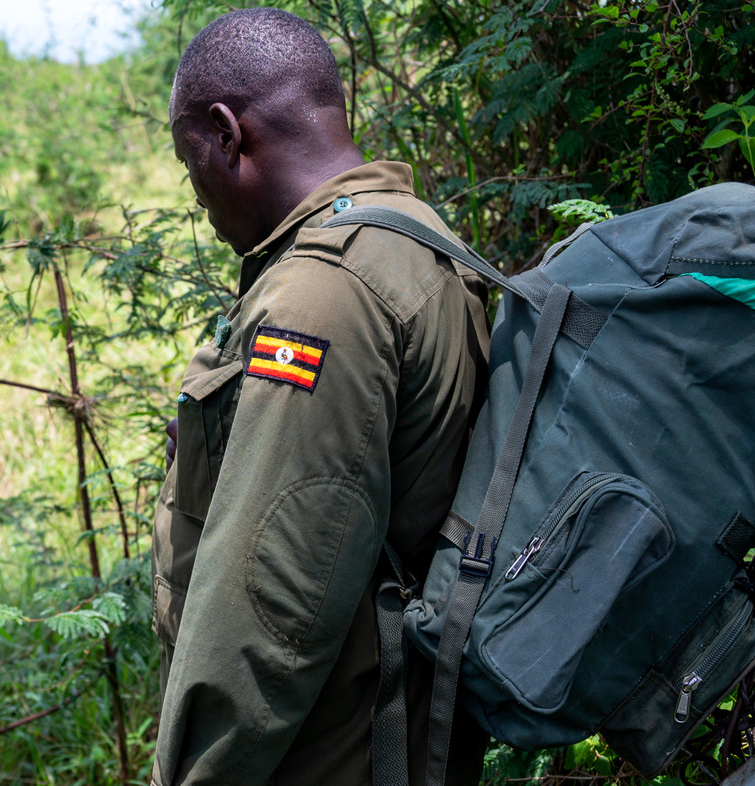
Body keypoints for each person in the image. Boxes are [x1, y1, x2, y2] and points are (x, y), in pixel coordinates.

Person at [151, 8, 491, 785]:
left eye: (189, 160)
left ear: (227, 132)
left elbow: (272, 602)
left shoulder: (320, 298)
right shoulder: (414, 234)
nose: (196, 193)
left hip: (321, 753)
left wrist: (198, 772)